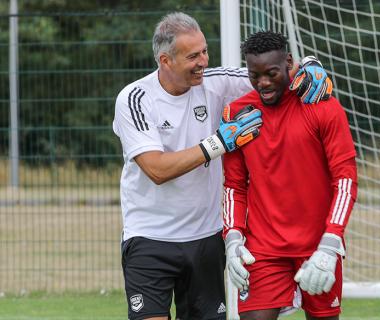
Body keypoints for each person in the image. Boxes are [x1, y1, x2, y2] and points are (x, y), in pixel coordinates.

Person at [113, 11, 332, 320]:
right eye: (193, 56)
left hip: (206, 237)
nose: (203, 61)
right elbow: (157, 169)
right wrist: (218, 143)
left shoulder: (216, 82)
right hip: (150, 238)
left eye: (204, 50)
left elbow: (274, 72)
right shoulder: (135, 99)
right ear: (165, 61)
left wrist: (309, 65)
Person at [223, 31, 357, 320]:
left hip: (317, 245)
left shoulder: (322, 104)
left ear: (289, 63)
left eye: (271, 73)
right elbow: (234, 186)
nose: (263, 83)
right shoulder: (237, 114)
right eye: (254, 75)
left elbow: (345, 178)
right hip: (262, 248)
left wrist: (331, 243)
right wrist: (233, 239)